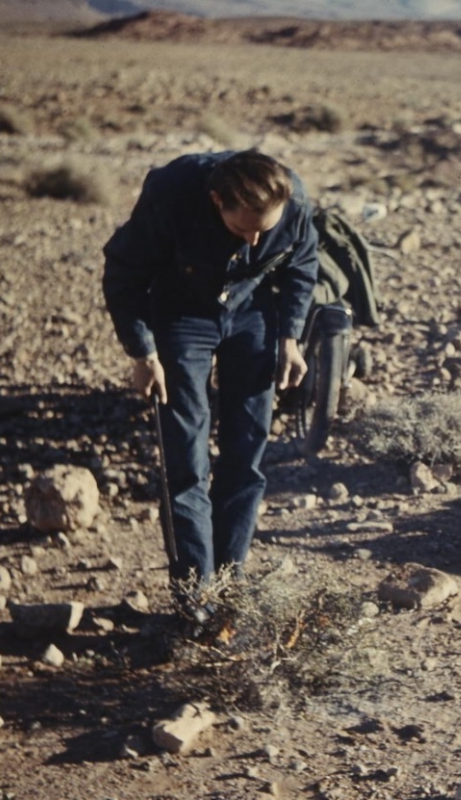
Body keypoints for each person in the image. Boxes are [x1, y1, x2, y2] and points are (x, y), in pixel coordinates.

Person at [102, 150, 318, 601]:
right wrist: (144, 352)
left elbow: (301, 266)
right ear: (218, 200)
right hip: (181, 313)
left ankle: (228, 582)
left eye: (266, 231)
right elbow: (123, 271)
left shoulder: (293, 203)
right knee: (185, 459)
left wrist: (290, 338)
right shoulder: (171, 195)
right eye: (243, 229)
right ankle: (194, 595)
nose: (255, 242)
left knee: (246, 452)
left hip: (250, 310)